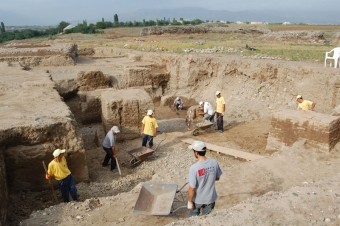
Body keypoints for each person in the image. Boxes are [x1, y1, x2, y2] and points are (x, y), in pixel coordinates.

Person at [187, 141, 222, 217]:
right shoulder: (214, 163)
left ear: (196, 153)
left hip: (197, 200)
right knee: (206, 218)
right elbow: (217, 177)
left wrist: (189, 201)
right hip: (210, 199)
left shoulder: (194, 168)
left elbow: (192, 188)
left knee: (193, 220)